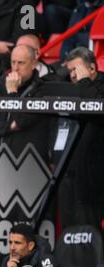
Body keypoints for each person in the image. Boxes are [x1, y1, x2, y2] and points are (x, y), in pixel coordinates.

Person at [55, 47, 104, 231]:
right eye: (71, 71)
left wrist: (84, 82)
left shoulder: (99, 86)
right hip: (70, 171)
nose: (73, 75)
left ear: (92, 68)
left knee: (91, 229)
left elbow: (95, 108)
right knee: (71, 226)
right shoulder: (70, 88)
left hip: (96, 175)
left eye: (77, 70)